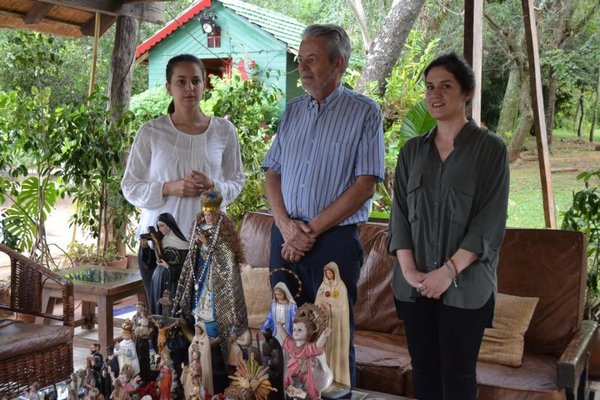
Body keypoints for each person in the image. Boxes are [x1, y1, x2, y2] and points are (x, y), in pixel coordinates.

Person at [262, 24, 384, 386]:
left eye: (312, 59)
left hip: (332, 240)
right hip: (284, 237)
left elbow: (365, 184)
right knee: (285, 328)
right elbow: (272, 172)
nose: (303, 67)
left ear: (338, 63)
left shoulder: (365, 112)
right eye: (301, 60)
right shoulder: (293, 110)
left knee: (331, 335)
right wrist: (285, 225)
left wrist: (309, 231)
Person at [388, 53, 510, 400]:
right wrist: (410, 271)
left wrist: (449, 271)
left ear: (466, 92)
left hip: (466, 287)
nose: (435, 95)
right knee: (424, 372)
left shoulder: (491, 150)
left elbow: (490, 222)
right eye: (429, 87)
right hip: (414, 287)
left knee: (458, 378)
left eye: (446, 86)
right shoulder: (412, 151)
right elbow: (399, 215)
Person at [121, 53, 245, 301]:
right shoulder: (151, 132)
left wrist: (213, 186)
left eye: (196, 81)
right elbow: (130, 186)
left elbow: (237, 181)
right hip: (160, 247)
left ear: (204, 85)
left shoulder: (224, 131)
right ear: (168, 87)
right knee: (164, 321)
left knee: (207, 325)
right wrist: (168, 187)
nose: (189, 88)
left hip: (209, 241)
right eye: (181, 81)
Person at [173, 189, 248, 364]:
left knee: (212, 304)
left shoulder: (223, 232)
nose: (207, 217)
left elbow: (227, 257)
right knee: (198, 300)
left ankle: (216, 337)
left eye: (211, 214)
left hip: (217, 280)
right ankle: (197, 330)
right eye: (205, 214)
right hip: (201, 274)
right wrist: (197, 246)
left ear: (216, 214)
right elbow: (193, 255)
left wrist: (207, 244)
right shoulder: (199, 227)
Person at [276, 304, 333, 400]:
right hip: (291, 372)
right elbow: (285, 337)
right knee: (291, 390)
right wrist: (279, 326)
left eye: (299, 330)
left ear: (308, 332)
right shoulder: (292, 344)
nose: (295, 332)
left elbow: (317, 346)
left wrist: (323, 336)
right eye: (294, 329)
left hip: (304, 374)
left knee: (305, 392)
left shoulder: (306, 348)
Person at [315, 262, 350, 392]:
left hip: (336, 325)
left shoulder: (340, 287)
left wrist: (329, 307)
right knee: (323, 349)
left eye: (331, 273)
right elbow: (317, 301)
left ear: (335, 273)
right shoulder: (322, 286)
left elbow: (342, 307)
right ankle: (324, 381)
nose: (329, 275)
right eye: (327, 273)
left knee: (335, 349)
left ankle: (338, 379)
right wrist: (320, 306)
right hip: (324, 322)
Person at [150, 212, 189, 315]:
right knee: (158, 306)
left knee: (170, 307)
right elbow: (149, 261)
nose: (160, 229)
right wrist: (144, 247)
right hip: (158, 278)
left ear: (170, 225)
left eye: (162, 226)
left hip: (173, 281)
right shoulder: (159, 241)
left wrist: (168, 267)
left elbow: (185, 268)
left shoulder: (183, 244)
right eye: (158, 227)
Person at [259, 282, 298, 346]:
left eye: (279, 294)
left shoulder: (292, 306)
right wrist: (263, 329)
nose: (278, 296)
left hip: (287, 330)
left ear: (285, 293)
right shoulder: (273, 305)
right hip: (276, 330)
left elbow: (295, 319)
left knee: (286, 345)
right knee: (276, 346)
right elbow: (269, 318)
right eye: (276, 294)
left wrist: (295, 331)